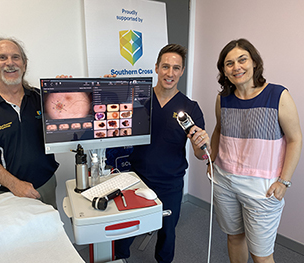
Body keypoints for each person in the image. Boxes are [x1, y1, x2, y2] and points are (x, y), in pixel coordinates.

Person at [115, 44, 211, 263]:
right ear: (156, 68)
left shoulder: (190, 108)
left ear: (182, 71)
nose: (170, 73)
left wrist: (203, 145)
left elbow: (200, 154)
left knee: (168, 232)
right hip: (136, 178)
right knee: (126, 227)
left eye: (176, 68)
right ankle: (119, 258)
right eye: (165, 66)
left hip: (170, 182)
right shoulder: (138, 100)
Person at [210, 38, 302, 263]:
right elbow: (219, 131)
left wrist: (284, 182)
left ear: (254, 62)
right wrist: (210, 161)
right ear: (224, 70)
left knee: (261, 255)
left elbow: (295, 139)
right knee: (234, 237)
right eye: (229, 63)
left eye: (242, 60)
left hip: (262, 188)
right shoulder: (223, 99)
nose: (236, 67)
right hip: (224, 182)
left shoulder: (278, 95)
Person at [0, 37, 59, 209]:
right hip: (7, 192)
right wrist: (15, 185)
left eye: (16, 57)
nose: (10, 63)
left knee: (50, 235)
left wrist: (65, 94)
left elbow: (69, 129)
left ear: (24, 64)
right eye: (2, 57)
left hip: (46, 185)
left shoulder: (42, 98)